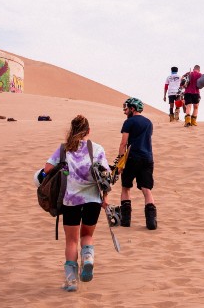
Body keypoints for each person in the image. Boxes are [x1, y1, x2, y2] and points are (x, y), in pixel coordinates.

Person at [41, 115, 111, 292]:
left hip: (70, 200)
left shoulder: (64, 149)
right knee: (87, 235)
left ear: (72, 130)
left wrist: (64, 168)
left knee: (71, 240)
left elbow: (47, 168)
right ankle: (88, 259)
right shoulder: (97, 148)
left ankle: (71, 280)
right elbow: (106, 176)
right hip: (93, 200)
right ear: (88, 131)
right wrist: (106, 199)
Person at [117, 97, 157, 230]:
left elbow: (124, 143)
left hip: (132, 158)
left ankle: (126, 221)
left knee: (126, 187)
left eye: (127, 108)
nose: (125, 111)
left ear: (132, 109)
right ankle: (151, 222)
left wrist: (120, 161)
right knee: (146, 189)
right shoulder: (148, 122)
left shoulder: (129, 122)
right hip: (147, 158)